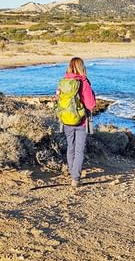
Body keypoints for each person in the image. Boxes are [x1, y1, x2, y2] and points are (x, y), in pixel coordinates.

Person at [55, 57, 96, 188]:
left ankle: (72, 172)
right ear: (81, 67)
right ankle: (75, 178)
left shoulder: (63, 82)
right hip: (81, 122)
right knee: (79, 150)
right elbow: (91, 104)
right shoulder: (83, 82)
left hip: (66, 120)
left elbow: (57, 98)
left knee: (70, 147)